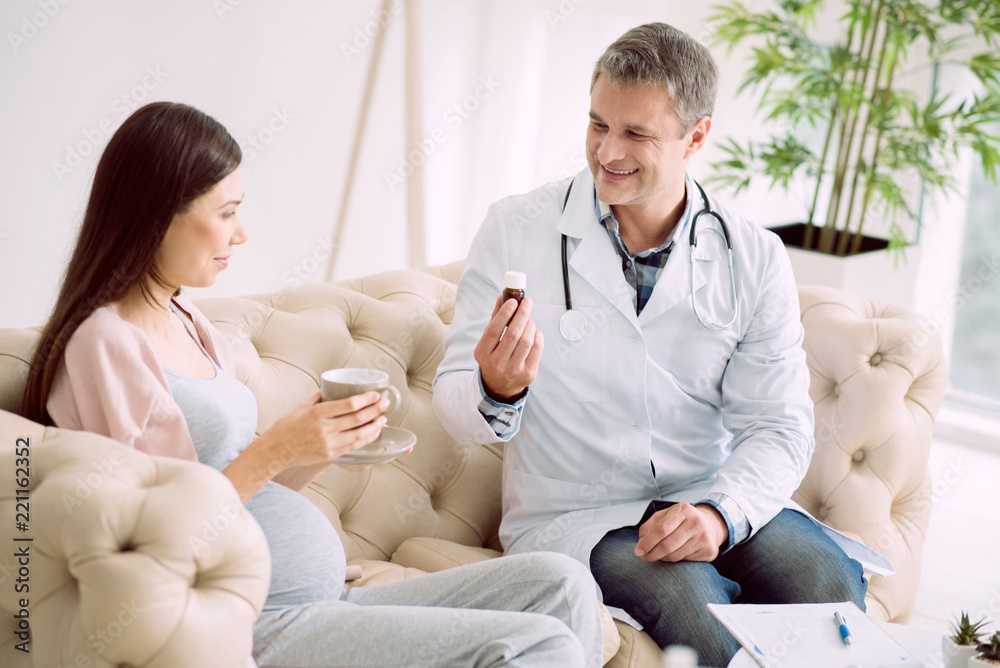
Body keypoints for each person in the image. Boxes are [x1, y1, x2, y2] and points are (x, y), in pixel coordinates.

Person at [22, 101, 603, 668]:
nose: (241, 232)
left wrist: (318, 443)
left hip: (309, 596)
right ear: (155, 213)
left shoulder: (186, 319)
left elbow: (244, 482)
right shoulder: (104, 343)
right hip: (245, 620)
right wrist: (277, 448)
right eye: (225, 212)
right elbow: (156, 537)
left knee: (563, 584)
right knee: (539, 646)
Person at [433, 23, 875, 667]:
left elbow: (777, 427)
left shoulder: (753, 256)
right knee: (694, 604)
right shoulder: (516, 228)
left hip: (709, 493)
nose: (607, 151)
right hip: (581, 512)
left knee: (826, 583)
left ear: (696, 136)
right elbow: (453, 402)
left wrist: (720, 514)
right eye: (597, 124)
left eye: (637, 134)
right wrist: (496, 389)